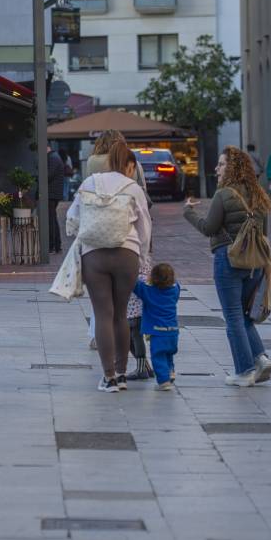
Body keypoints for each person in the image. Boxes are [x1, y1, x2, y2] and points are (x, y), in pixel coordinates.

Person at [183, 146, 271, 386]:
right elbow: (264, 235)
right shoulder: (259, 195)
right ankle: (261, 358)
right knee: (244, 315)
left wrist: (188, 212)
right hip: (255, 262)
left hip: (229, 259)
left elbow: (208, 228)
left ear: (232, 168)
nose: (217, 168)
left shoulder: (223, 195)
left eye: (221, 164)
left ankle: (244, 371)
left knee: (233, 316)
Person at [67, 141, 152, 393]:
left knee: (103, 314)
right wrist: (143, 256)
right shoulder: (133, 188)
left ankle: (109, 377)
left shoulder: (90, 182)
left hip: (95, 255)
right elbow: (145, 227)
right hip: (127, 255)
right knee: (121, 313)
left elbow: (72, 215)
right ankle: (123, 373)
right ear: (129, 165)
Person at [133, 262, 181, 391]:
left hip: (158, 332)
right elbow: (177, 286)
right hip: (173, 331)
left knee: (158, 355)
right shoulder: (175, 289)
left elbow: (135, 284)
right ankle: (170, 372)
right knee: (168, 354)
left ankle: (163, 381)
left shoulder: (149, 291)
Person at [46, 144, 65, 254]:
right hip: (53, 193)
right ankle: (56, 246)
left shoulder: (52, 158)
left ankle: (53, 246)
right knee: (52, 219)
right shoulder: (54, 157)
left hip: (51, 193)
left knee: (51, 220)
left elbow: (48, 175)